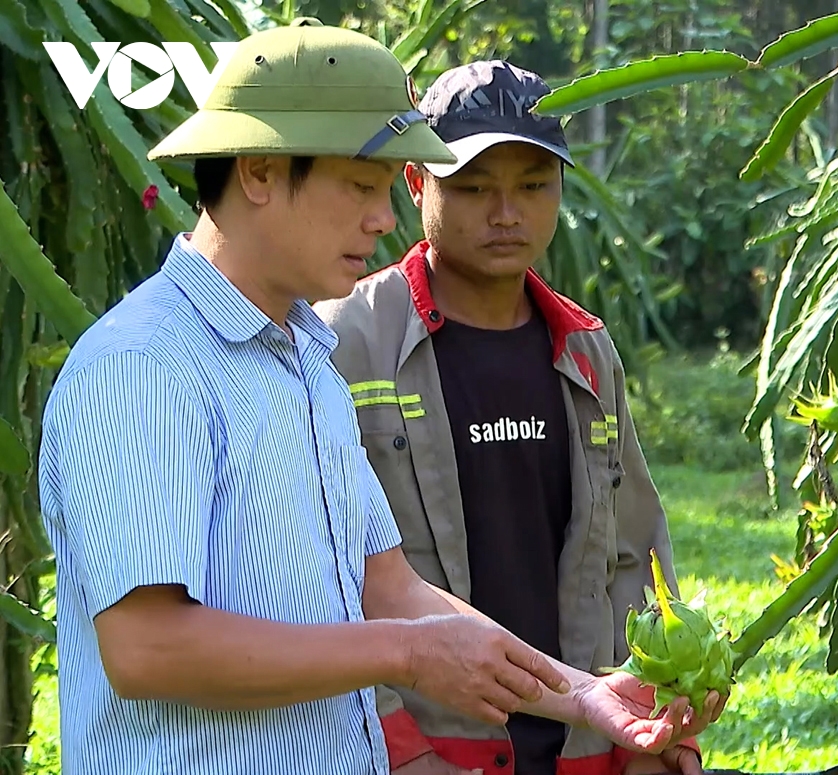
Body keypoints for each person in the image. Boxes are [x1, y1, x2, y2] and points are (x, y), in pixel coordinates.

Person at [38, 22, 713, 775]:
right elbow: (147, 647)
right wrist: (405, 652)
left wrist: (583, 695)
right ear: (260, 172)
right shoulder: (145, 365)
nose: (385, 219)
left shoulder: (307, 362)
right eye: (361, 186)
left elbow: (386, 584)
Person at [311, 60, 723, 775]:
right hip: (432, 751)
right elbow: (321, 581)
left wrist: (663, 731)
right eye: (473, 188)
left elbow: (636, 556)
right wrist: (401, 748)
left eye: (533, 186)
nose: (506, 213)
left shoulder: (586, 348)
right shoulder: (344, 341)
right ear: (417, 184)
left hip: (587, 748)